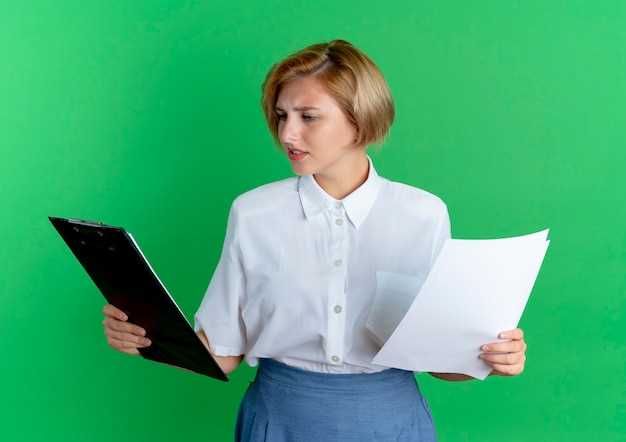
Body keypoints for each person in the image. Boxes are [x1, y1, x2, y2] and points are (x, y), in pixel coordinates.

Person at [102, 39, 528, 441]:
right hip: (278, 419)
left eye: (308, 117)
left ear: (359, 120)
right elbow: (225, 353)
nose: (288, 134)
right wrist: (150, 338)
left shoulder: (423, 214)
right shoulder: (252, 213)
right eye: (281, 116)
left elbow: (441, 361)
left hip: (391, 422)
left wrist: (490, 358)